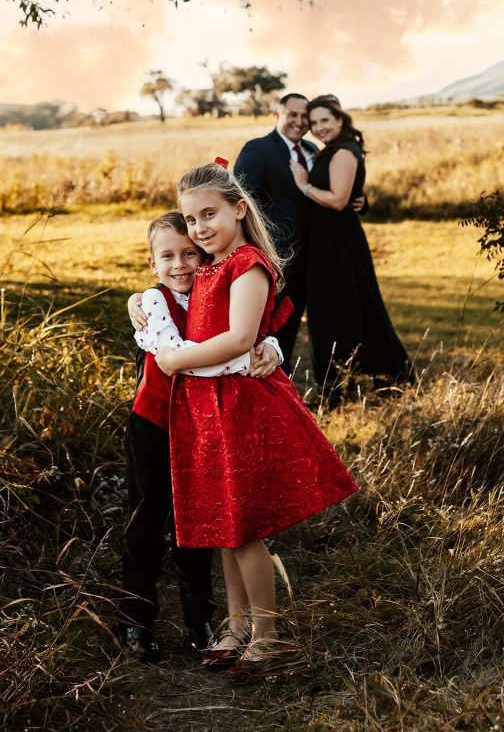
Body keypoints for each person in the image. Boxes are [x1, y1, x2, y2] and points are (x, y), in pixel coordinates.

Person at [154, 163, 358, 677]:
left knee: (244, 527)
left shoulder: (246, 264)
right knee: (226, 524)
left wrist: (177, 360)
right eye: (190, 218)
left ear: (239, 209)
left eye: (209, 214)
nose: (199, 227)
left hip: (240, 406)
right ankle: (236, 623)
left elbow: (241, 336)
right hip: (209, 407)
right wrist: (141, 303)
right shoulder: (207, 266)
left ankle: (267, 636)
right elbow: (176, 302)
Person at [119, 211, 282, 663]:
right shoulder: (152, 303)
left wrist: (271, 346)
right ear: (152, 263)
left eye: (188, 253)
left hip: (203, 427)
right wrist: (246, 356)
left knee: (198, 523)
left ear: (203, 252)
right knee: (147, 518)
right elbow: (183, 357)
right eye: (167, 256)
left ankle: (200, 617)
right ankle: (136, 619)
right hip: (154, 421)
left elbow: (253, 327)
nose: (180, 264)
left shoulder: (217, 290)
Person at [289, 95, 413, 401]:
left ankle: (353, 385)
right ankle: (344, 384)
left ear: (340, 121)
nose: (318, 128)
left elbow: (339, 200)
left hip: (337, 243)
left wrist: (303, 184)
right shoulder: (332, 150)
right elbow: (349, 194)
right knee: (342, 308)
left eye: (324, 121)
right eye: (313, 122)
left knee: (341, 308)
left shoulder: (343, 151)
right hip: (329, 238)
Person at [234, 92, 364, 375]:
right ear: (278, 115)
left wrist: (362, 199)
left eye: (304, 116)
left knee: (319, 326)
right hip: (279, 261)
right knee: (271, 331)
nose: (300, 121)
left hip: (318, 257)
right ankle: (268, 387)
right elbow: (241, 203)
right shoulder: (258, 150)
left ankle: (327, 382)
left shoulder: (312, 149)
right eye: (292, 114)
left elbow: (332, 187)